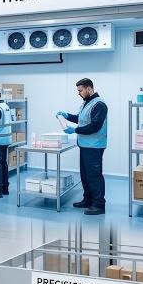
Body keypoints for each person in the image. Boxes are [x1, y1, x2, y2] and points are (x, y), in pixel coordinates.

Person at [57, 78, 108, 216]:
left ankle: (98, 205)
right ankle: (88, 200)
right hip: (85, 145)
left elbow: (95, 126)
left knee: (94, 175)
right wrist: (66, 116)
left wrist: (75, 130)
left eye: (80, 90)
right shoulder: (87, 103)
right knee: (85, 175)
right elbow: (80, 118)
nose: (78, 93)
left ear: (89, 89)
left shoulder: (99, 105)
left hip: (95, 146)